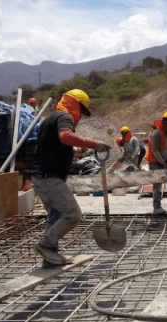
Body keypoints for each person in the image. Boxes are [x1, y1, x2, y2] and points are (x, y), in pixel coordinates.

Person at [31, 89, 110, 266]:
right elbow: (65, 136)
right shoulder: (64, 117)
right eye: (81, 111)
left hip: (40, 177)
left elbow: (52, 145)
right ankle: (45, 245)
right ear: (75, 105)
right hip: (49, 177)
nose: (81, 116)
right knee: (72, 214)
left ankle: (49, 258)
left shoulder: (49, 119)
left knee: (55, 216)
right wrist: (95, 144)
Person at [145, 111, 167, 214]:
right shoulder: (156, 134)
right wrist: (162, 163)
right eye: (166, 123)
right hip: (155, 161)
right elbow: (155, 150)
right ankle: (157, 207)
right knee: (157, 184)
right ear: (163, 123)